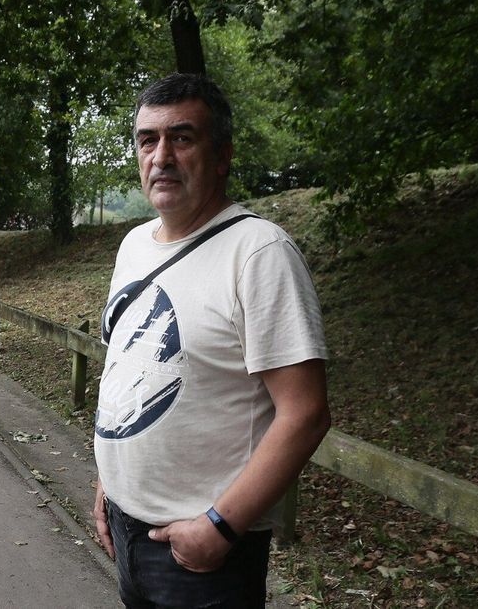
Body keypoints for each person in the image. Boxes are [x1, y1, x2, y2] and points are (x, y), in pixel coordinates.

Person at [93, 73, 330, 608]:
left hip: (203, 555)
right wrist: (109, 483)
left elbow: (306, 413)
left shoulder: (259, 252)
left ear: (221, 155)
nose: (161, 156)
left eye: (182, 138)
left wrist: (220, 529)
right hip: (126, 529)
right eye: (147, 140)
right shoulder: (133, 245)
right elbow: (127, 373)